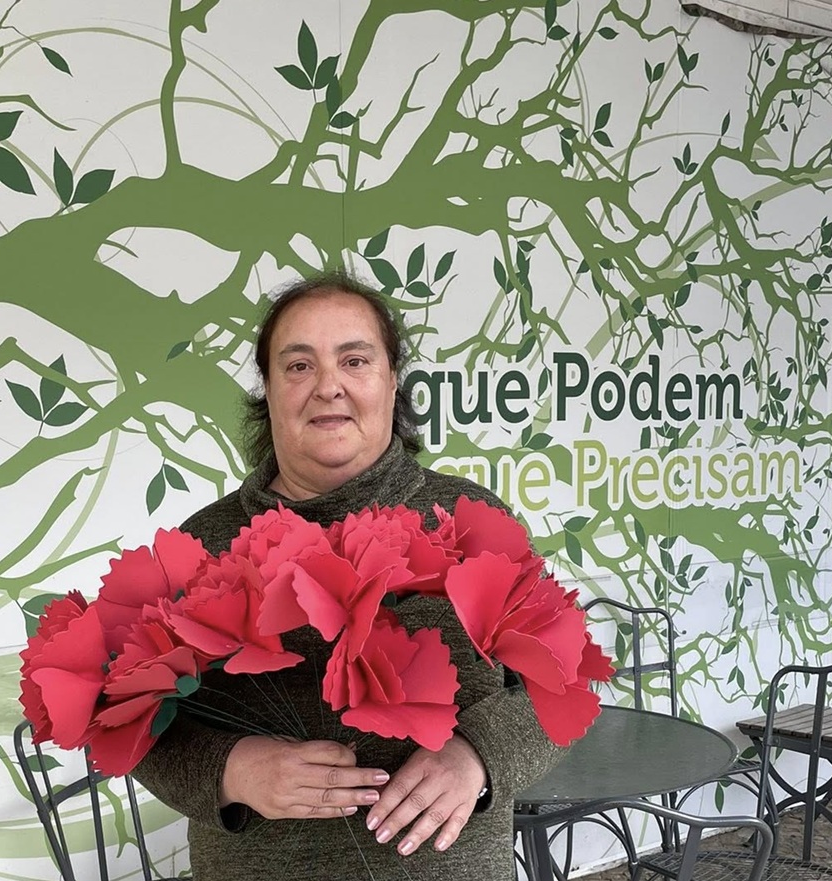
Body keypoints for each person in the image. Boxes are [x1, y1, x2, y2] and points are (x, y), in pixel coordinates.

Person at [132, 271, 564, 880]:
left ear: (392, 381)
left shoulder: (471, 520)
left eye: (354, 361)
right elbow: (131, 721)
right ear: (268, 390)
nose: (328, 386)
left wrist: (478, 755)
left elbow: (559, 688)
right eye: (298, 366)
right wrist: (230, 769)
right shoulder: (200, 544)